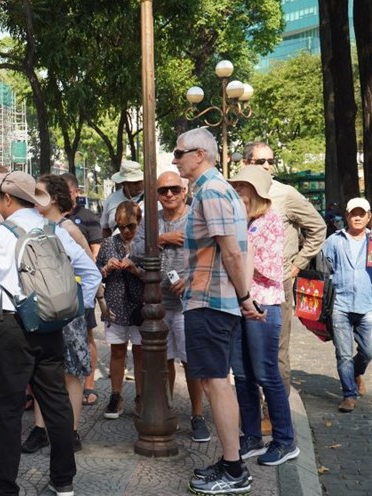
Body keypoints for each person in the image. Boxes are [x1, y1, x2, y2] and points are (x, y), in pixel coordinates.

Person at [0, 171, 100, 496]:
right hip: (49, 328)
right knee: (56, 403)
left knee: (5, 409)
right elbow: (92, 274)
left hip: (10, 328)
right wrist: (75, 310)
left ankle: (4, 487)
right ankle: (63, 483)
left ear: (6, 200)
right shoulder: (56, 231)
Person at [172, 128, 264, 495]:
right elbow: (240, 249)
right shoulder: (217, 191)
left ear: (199, 155)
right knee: (215, 381)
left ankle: (234, 468)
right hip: (213, 300)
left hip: (211, 301)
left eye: (179, 153)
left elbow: (234, 252)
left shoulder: (211, 191)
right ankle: (231, 463)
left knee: (215, 382)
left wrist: (245, 297)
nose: (175, 158)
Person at [228, 166, 300, 466]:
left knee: (266, 373)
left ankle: (285, 440)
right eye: (236, 187)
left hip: (263, 307)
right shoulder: (239, 221)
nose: (237, 193)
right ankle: (253, 436)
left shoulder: (269, 221)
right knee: (242, 375)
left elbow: (272, 270)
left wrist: (241, 250)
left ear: (255, 192)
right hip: (238, 305)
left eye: (242, 188)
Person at [242, 143, 325, 400]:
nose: (267, 165)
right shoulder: (237, 193)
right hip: (242, 284)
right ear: (246, 163)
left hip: (278, 283)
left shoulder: (285, 194)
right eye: (259, 161)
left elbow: (318, 228)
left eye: (270, 160)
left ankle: (276, 412)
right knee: (245, 350)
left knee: (277, 350)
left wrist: (297, 265)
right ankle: (253, 410)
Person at [131, 170, 209, 442]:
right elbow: (135, 251)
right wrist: (162, 239)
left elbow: (209, 253)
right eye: (163, 191)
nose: (169, 195)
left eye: (174, 189)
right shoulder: (152, 221)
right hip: (158, 302)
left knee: (191, 361)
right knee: (163, 359)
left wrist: (190, 279)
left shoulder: (195, 216)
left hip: (189, 302)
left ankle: (197, 415)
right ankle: (167, 407)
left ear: (184, 190)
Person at [21, 175, 92, 454]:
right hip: (42, 308)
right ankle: (40, 429)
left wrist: (78, 304)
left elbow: (89, 267)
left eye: (38, 192)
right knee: (42, 369)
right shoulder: (34, 226)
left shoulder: (68, 229)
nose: (33, 197)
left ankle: (71, 431)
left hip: (68, 309)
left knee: (71, 370)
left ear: (53, 198)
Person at [321, 197, 372, 413]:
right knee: (343, 353)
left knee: (369, 350)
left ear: (369, 217)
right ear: (347, 216)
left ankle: (356, 371)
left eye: (362, 214)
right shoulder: (334, 240)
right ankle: (349, 394)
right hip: (340, 304)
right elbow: (326, 266)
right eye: (354, 213)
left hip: (367, 303)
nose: (357, 217)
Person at [96, 201, 144, 420]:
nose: (125, 231)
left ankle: (141, 396)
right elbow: (96, 273)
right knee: (117, 351)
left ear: (139, 222)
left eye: (130, 226)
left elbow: (156, 271)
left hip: (140, 305)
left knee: (141, 352)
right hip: (115, 304)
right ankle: (116, 395)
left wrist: (135, 269)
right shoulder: (108, 244)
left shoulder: (144, 243)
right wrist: (106, 269)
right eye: (121, 226)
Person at [60, 173, 103, 407]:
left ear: (75, 192)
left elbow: (94, 252)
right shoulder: (51, 219)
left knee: (86, 335)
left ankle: (88, 384)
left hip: (82, 286)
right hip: (58, 290)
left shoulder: (87, 217)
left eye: (67, 191)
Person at [100, 160, 144, 238]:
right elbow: (105, 229)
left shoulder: (151, 200)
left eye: (141, 181)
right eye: (135, 183)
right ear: (124, 183)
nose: (140, 185)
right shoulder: (111, 200)